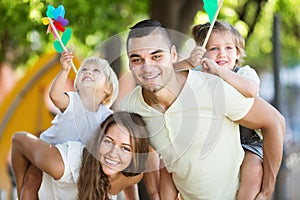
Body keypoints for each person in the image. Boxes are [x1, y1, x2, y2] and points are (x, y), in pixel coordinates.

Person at [118, 19, 285, 199]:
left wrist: (267, 190)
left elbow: (275, 122)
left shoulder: (213, 89)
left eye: (157, 56)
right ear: (129, 63)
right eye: (137, 59)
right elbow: (145, 148)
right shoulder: (131, 107)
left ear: (173, 55)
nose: (148, 66)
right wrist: (153, 192)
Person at [174, 20, 264, 199]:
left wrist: (218, 71)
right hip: (211, 141)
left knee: (254, 170)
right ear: (202, 53)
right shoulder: (197, 73)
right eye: (214, 48)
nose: (222, 53)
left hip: (245, 140)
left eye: (229, 48)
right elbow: (167, 76)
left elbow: (251, 90)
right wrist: (188, 62)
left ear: (238, 53)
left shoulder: (244, 72)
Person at [17, 51, 119, 200]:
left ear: (108, 89)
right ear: (77, 82)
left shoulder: (107, 117)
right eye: (84, 70)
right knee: (31, 182)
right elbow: (55, 96)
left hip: (72, 162)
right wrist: (64, 70)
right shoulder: (73, 100)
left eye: (96, 71)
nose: (88, 72)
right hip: (48, 147)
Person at [11, 111, 150, 199]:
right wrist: (27, 184)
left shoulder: (134, 175)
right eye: (108, 141)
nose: (113, 154)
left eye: (125, 148)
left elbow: (129, 182)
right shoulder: (62, 165)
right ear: (98, 141)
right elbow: (18, 140)